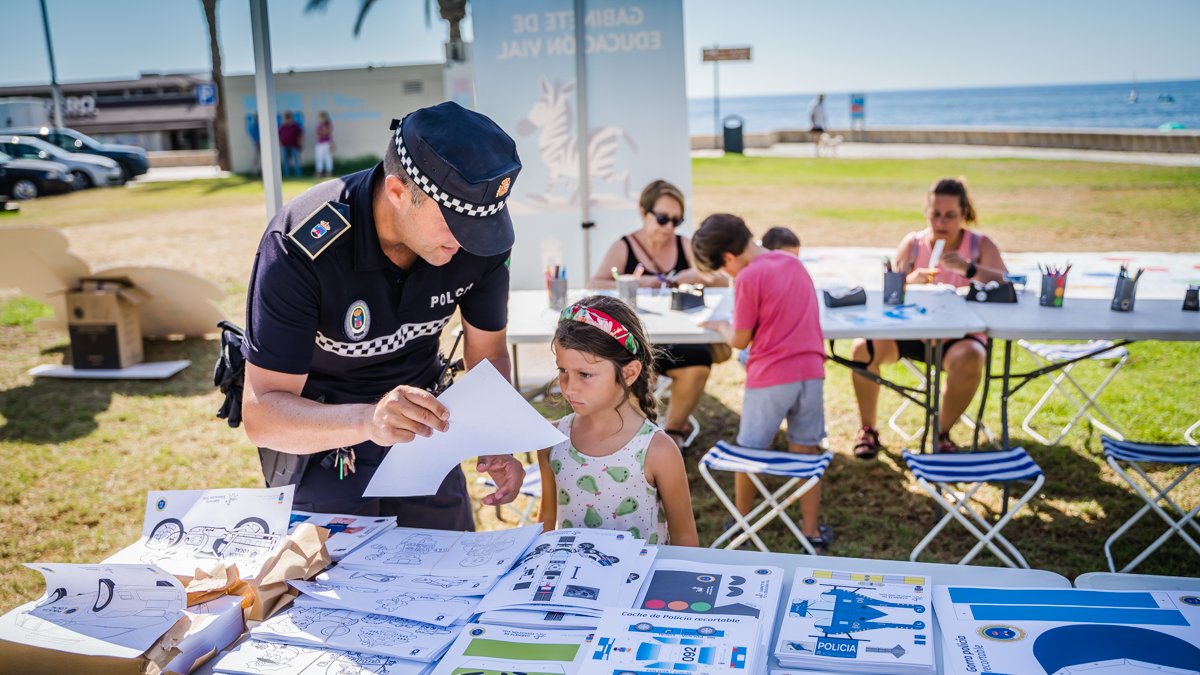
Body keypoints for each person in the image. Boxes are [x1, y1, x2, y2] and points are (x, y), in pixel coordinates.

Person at [240, 101, 525, 528]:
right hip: (325, 441)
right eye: (456, 224)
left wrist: (497, 434)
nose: (469, 244)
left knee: (453, 562)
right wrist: (369, 419)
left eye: (480, 227)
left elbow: (488, 354)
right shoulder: (300, 245)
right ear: (397, 192)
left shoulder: (479, 237)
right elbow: (263, 415)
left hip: (424, 434)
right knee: (332, 568)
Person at [692, 214, 833, 554]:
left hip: (771, 377)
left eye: (722, 269)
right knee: (806, 450)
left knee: (750, 452)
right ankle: (811, 530)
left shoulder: (747, 276)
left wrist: (721, 326)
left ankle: (742, 521)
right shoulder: (792, 262)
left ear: (728, 258)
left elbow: (740, 340)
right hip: (811, 372)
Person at [850, 177, 1009, 457]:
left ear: (964, 214)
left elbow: (1007, 284)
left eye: (950, 215)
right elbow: (888, 292)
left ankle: (940, 433)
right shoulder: (913, 244)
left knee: (972, 356)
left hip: (958, 336)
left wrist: (970, 270)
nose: (941, 222)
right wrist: (909, 280)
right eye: (935, 214)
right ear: (927, 213)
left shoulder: (979, 245)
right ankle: (868, 430)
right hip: (912, 332)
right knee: (862, 348)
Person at [537, 295, 698, 546]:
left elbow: (685, 539)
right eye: (563, 371)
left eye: (585, 374)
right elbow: (546, 521)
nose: (569, 388)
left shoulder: (658, 451)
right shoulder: (551, 440)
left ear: (629, 373)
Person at [589, 179, 726, 451]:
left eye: (676, 220)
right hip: (633, 337)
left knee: (699, 360)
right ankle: (635, 438)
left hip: (677, 334)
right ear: (643, 212)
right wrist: (637, 282)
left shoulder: (684, 244)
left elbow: (722, 279)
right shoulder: (624, 246)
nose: (669, 227)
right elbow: (595, 284)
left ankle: (673, 432)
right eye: (662, 218)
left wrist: (696, 275)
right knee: (633, 368)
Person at [279, 111, 303, 177]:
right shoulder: (282, 127)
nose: (286, 120)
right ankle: (287, 174)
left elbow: (301, 135)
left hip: (294, 146)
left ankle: (298, 174)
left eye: (287, 118)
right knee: (285, 161)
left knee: (296, 160)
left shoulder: (296, 126)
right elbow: (279, 135)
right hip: (285, 146)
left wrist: (300, 143)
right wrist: (280, 142)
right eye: (285, 118)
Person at [314, 111, 334, 178]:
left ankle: (329, 172)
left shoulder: (328, 124)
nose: (322, 119)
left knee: (328, 158)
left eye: (323, 117)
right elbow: (318, 133)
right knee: (319, 158)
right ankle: (319, 172)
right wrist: (322, 132)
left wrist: (323, 131)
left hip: (327, 143)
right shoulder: (319, 124)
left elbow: (328, 133)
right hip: (320, 143)